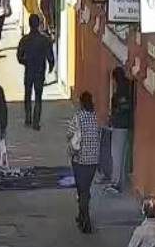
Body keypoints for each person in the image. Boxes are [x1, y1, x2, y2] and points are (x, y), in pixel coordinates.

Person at [66, 92, 100, 234]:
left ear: (81, 103)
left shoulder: (78, 117)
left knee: (82, 190)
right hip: (93, 160)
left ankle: (85, 220)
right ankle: (81, 216)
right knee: (85, 188)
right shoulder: (95, 117)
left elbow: (69, 134)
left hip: (80, 160)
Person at [17, 14, 55, 130]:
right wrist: (50, 67)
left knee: (27, 95)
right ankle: (36, 122)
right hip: (39, 71)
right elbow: (50, 57)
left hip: (29, 70)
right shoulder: (44, 40)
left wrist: (25, 62)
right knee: (38, 97)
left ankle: (28, 118)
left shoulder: (25, 40)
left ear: (29, 24)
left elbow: (19, 56)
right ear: (38, 24)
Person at [106, 66, 134, 194]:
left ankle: (116, 183)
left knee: (117, 154)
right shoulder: (128, 86)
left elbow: (122, 107)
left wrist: (114, 114)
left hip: (120, 126)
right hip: (124, 125)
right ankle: (118, 181)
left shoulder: (121, 92)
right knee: (121, 154)